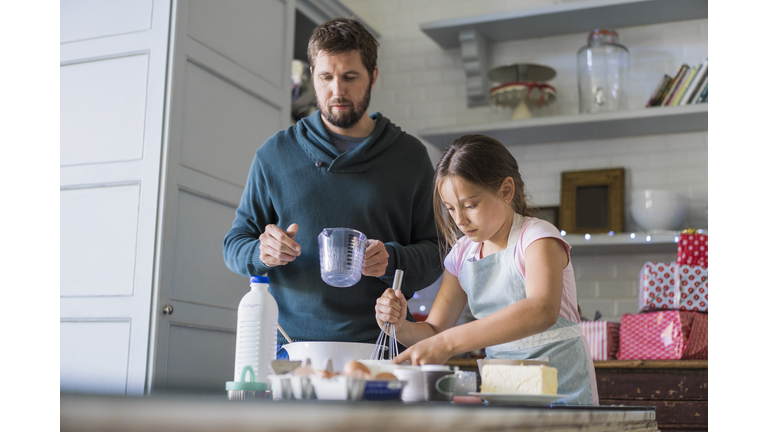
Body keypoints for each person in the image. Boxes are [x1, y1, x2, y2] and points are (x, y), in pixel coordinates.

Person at [223, 18, 442, 352]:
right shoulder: (274, 154)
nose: (337, 91)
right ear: (313, 76)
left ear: (374, 76)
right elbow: (234, 245)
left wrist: (391, 260)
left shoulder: (410, 157)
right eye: (326, 77)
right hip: (290, 347)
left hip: (384, 347)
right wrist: (261, 252)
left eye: (350, 77)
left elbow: (437, 253)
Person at [375, 134, 598, 405]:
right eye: (450, 209)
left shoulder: (537, 237)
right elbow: (435, 332)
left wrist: (448, 344)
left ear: (506, 190)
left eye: (470, 205)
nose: (460, 220)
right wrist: (401, 327)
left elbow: (541, 310)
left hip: (563, 387)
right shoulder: (462, 255)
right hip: (505, 392)